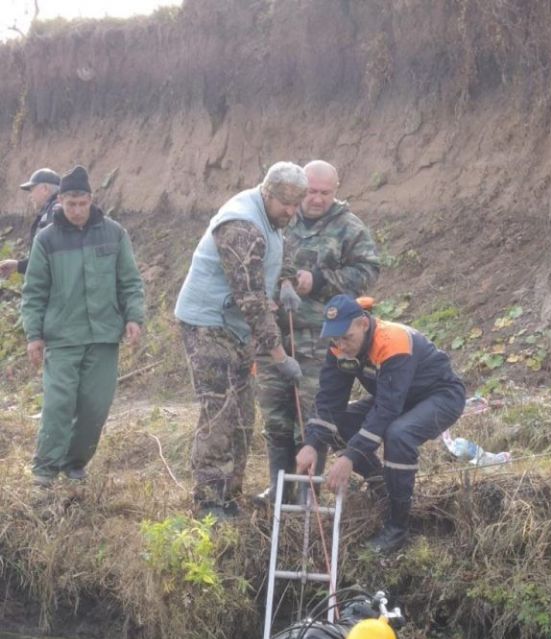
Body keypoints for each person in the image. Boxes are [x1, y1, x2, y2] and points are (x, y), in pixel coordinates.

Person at [175, 161, 308, 521]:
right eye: (286, 204)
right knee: (220, 410)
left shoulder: (276, 216)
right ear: (267, 192)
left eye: (298, 204)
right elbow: (250, 302)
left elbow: (283, 246)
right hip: (208, 323)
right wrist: (279, 356)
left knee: (244, 413)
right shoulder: (240, 227)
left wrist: (285, 280)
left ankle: (230, 496)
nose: (292, 212)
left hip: (236, 327)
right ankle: (208, 502)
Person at [296, 295, 466, 553]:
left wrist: (350, 457)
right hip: (397, 398)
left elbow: (387, 410)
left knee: (399, 435)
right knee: (341, 423)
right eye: (335, 339)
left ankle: (397, 528)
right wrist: (311, 443)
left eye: (346, 337)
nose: (341, 346)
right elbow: (330, 400)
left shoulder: (393, 342)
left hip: (440, 396)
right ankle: (383, 489)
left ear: (363, 324)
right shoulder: (339, 348)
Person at [255, 159, 380, 502]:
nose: (317, 199)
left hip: (320, 339)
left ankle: (309, 493)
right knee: (276, 418)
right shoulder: (280, 217)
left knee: (312, 418)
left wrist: (322, 281)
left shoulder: (349, 227)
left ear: (335, 192)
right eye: (311, 191)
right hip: (273, 336)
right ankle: (280, 488)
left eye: (325, 193)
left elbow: (369, 271)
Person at [21, 164, 145, 486]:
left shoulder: (114, 233)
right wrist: (34, 335)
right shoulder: (47, 240)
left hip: (103, 336)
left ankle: (74, 465)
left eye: (82, 203)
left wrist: (134, 317)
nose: (77, 211)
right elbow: (34, 290)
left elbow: (129, 281)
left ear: (91, 199)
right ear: (60, 200)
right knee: (58, 405)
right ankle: (44, 473)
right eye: (70, 204)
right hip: (62, 338)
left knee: (95, 408)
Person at [0, 168, 60, 280]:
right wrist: (19, 266)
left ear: (45, 189)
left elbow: (55, 261)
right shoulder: (50, 212)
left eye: (32, 189)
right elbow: (44, 261)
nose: (30, 196)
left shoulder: (56, 212)